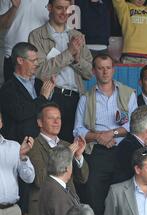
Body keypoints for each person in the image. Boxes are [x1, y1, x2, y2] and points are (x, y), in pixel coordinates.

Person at [73, 53, 138, 215]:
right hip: (97, 153)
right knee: (96, 202)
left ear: (114, 69)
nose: (104, 71)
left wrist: (113, 133)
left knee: (121, 203)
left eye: (108, 67)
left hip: (122, 153)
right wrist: (98, 136)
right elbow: (78, 130)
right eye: (100, 68)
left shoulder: (128, 94)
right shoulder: (86, 97)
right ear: (94, 71)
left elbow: (134, 125)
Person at [28, 0, 93, 143]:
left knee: (73, 146)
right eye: (59, 8)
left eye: (67, 9)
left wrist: (76, 59)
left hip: (77, 98)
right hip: (52, 97)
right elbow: (39, 71)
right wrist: (69, 53)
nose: (64, 13)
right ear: (49, 8)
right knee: (49, 145)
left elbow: (89, 73)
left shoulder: (77, 36)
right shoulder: (36, 35)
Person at [27, 103, 88, 215]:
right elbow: (40, 180)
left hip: (69, 210)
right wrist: (66, 156)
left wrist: (78, 156)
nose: (56, 122)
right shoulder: (33, 145)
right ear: (40, 122)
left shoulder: (67, 145)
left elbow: (83, 178)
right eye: (51, 118)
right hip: (43, 213)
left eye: (59, 118)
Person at [0, 42, 53, 143]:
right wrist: (42, 98)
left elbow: (45, 110)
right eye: (33, 60)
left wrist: (50, 89)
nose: (37, 64)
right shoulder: (8, 88)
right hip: (20, 144)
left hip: (42, 142)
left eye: (37, 60)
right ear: (20, 60)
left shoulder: (39, 83)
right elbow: (20, 113)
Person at [0, 112, 35, 215]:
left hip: (11, 211)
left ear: (1, 123)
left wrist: (22, 156)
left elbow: (29, 178)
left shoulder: (14, 147)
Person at [0, 0, 48, 82]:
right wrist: (14, 8)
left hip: (42, 58)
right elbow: (1, 25)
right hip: (15, 57)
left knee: (42, 94)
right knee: (13, 94)